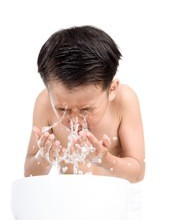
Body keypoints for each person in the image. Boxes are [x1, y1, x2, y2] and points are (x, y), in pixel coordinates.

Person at [24, 25, 145, 184]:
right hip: (71, 200)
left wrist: (105, 160)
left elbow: (138, 173)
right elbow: (29, 174)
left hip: (116, 200)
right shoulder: (44, 103)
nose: (75, 120)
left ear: (112, 90)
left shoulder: (123, 101)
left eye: (86, 109)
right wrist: (44, 157)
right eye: (62, 109)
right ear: (49, 91)